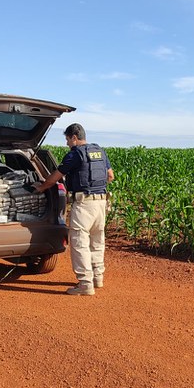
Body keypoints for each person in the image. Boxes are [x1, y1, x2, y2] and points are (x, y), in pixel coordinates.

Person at [35, 123, 114, 296]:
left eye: (67, 139)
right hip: (101, 203)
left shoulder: (75, 154)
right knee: (97, 241)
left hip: (84, 204)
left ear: (74, 138)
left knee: (79, 243)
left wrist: (40, 188)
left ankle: (85, 284)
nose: (67, 143)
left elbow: (55, 177)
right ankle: (97, 278)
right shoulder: (99, 151)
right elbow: (110, 176)